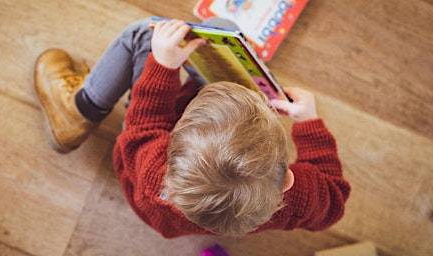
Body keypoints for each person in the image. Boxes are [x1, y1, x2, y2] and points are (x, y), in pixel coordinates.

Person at [34, 18, 351, 238]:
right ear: (286, 181)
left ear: (174, 143)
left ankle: (77, 111)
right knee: (222, 31)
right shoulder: (298, 196)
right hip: (187, 213)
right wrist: (309, 123)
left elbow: (147, 123)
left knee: (142, 35)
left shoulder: (155, 171)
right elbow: (333, 200)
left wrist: (162, 66)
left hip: (142, 156)